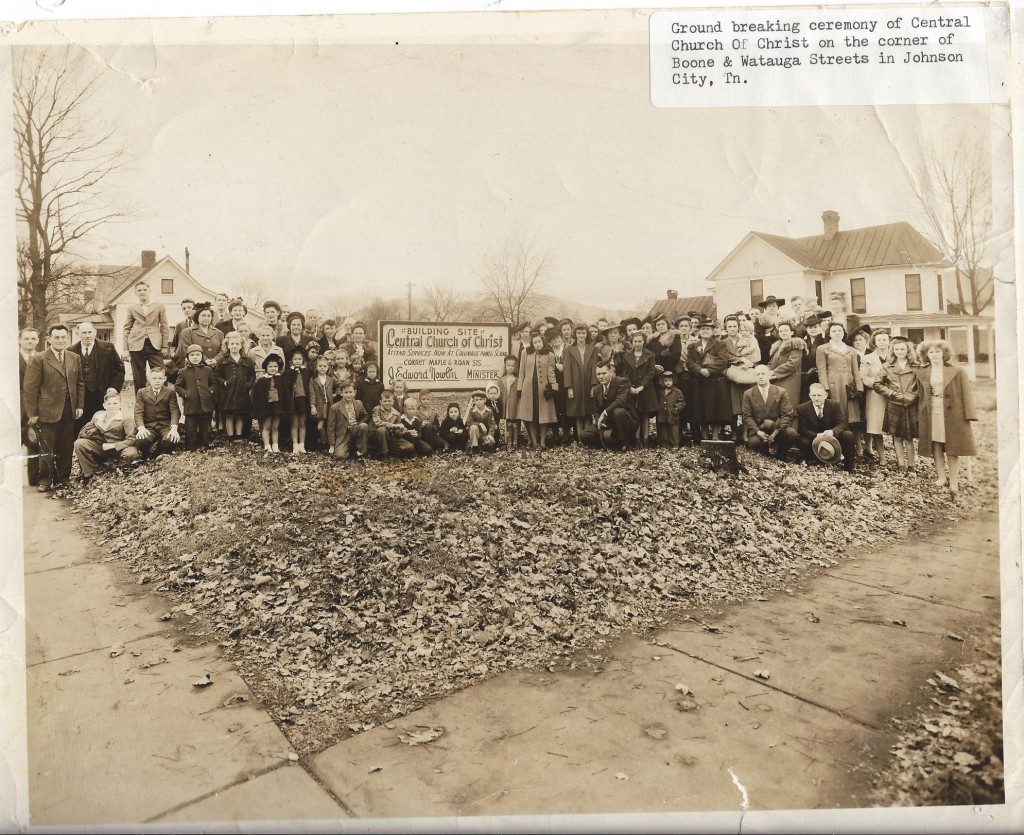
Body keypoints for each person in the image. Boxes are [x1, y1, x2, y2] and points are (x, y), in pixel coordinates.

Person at [22, 324, 84, 491]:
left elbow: (79, 383)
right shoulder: (39, 359)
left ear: (68, 338)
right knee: (47, 447)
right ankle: (45, 480)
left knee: (66, 447)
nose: (60, 340)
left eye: (63, 337)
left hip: (69, 410)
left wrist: (79, 405)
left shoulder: (74, 357)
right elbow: (30, 389)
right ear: (49, 339)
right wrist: (33, 413)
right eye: (56, 337)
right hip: (47, 410)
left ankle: (63, 479)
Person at [916, 340, 977, 495]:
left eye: (938, 352)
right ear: (926, 355)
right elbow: (920, 395)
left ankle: (954, 482)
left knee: (952, 446)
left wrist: (969, 415)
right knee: (936, 443)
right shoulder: (922, 371)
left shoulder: (958, 371)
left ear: (944, 353)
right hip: (931, 411)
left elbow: (967, 393)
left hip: (954, 413)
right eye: (931, 352)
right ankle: (942, 477)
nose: (935, 355)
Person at [872, 335, 919, 472]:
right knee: (897, 437)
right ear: (893, 351)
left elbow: (922, 385)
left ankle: (911, 466)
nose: (900, 351)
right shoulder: (887, 366)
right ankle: (901, 465)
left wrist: (913, 396)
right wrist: (891, 393)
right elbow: (877, 384)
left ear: (908, 350)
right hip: (894, 403)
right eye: (897, 349)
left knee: (909, 438)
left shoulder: (917, 366)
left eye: (902, 349)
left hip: (910, 405)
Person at [73, 387, 139, 484]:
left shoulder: (126, 418)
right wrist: (94, 431)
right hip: (101, 446)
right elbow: (86, 430)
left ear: (120, 404)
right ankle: (91, 473)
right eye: (109, 404)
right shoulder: (98, 416)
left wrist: (113, 445)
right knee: (79, 443)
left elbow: (132, 439)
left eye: (115, 403)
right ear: (104, 405)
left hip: (119, 448)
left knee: (132, 453)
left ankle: (115, 467)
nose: (112, 406)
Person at [68, 322, 125, 434]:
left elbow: (119, 370)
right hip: (81, 399)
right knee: (80, 428)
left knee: (104, 426)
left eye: (90, 332)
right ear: (78, 334)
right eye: (84, 333)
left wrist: (114, 387)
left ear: (95, 332)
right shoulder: (70, 351)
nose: (87, 335)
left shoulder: (108, 347)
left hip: (102, 395)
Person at [685, 317, 732, 440]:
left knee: (715, 409)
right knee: (701, 410)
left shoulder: (720, 344)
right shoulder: (693, 346)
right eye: (703, 329)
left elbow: (723, 361)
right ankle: (705, 437)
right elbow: (689, 362)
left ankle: (715, 437)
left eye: (708, 329)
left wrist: (709, 371)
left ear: (712, 331)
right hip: (699, 381)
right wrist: (700, 370)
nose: (705, 331)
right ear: (699, 331)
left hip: (715, 382)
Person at [122, 279, 170, 393]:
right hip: (136, 344)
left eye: (144, 289)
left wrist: (164, 346)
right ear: (136, 292)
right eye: (139, 290)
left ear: (149, 290)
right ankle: (141, 400)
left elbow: (164, 326)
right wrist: (125, 349)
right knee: (138, 375)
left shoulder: (159, 306)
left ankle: (163, 398)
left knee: (160, 372)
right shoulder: (132, 308)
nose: (142, 292)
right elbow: (126, 328)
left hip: (154, 344)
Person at [741, 365, 798, 461]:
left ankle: (780, 455)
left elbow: (787, 414)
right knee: (753, 443)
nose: (760, 376)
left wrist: (775, 432)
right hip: (759, 430)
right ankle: (766, 454)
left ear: (769, 375)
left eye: (763, 374)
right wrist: (758, 432)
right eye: (758, 374)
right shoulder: (748, 394)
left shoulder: (781, 391)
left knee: (791, 433)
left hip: (776, 428)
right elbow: (747, 416)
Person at [796, 383, 855, 473]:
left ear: (825, 395)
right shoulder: (802, 408)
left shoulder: (834, 405)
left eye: (819, 395)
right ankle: (814, 461)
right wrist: (816, 435)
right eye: (813, 395)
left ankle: (849, 467)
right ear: (809, 395)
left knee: (848, 435)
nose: (816, 398)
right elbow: (802, 429)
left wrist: (832, 432)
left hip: (833, 437)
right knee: (802, 441)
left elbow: (842, 423)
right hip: (814, 437)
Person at [579, 361, 639, 450]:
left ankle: (624, 443)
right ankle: (611, 442)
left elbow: (620, 401)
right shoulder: (596, 389)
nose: (601, 377)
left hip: (625, 421)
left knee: (618, 412)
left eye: (604, 373)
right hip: (608, 423)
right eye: (598, 374)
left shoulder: (621, 381)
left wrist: (604, 413)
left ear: (610, 372)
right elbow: (596, 410)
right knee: (584, 435)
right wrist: (599, 421)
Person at [516, 330, 558, 449]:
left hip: (542, 389)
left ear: (543, 342)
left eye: (539, 341)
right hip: (528, 389)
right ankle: (534, 442)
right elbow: (521, 372)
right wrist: (519, 388)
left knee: (543, 416)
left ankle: (543, 442)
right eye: (535, 342)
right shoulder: (525, 353)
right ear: (532, 343)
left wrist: (554, 387)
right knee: (530, 416)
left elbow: (551, 373)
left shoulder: (549, 355)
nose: (537, 344)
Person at [816, 322, 863, 427]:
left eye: (839, 331)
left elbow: (855, 370)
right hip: (834, 385)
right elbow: (821, 370)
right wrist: (825, 387)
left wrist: (859, 388)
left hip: (849, 385)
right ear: (829, 333)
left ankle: (850, 434)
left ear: (843, 333)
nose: (837, 333)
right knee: (836, 411)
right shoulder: (822, 349)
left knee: (850, 414)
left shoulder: (851, 350)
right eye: (834, 331)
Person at [175, 344, 217, 451]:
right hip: (191, 405)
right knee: (190, 427)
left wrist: (209, 391)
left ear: (202, 356)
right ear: (187, 357)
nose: (195, 357)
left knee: (205, 426)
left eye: (198, 355)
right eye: (192, 355)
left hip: (205, 404)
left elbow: (213, 383)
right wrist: (186, 394)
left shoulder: (208, 370)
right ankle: (191, 446)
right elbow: (178, 386)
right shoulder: (183, 371)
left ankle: (205, 444)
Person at [133, 364, 181, 459]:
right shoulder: (141, 392)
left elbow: (175, 411)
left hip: (165, 425)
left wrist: (174, 428)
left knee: (171, 439)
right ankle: (146, 455)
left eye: (160, 378)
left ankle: (159, 452)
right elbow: (138, 411)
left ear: (165, 379)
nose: (157, 381)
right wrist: (141, 428)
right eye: (154, 378)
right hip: (149, 425)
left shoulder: (170, 392)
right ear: (149, 379)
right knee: (141, 440)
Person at [215, 332, 255, 442]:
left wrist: (248, 385)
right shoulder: (222, 360)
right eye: (232, 344)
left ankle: (238, 436)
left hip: (242, 392)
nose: (234, 346)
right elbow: (217, 375)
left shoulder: (247, 360)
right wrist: (224, 383)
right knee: (229, 415)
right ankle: (231, 437)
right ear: (227, 345)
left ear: (241, 345)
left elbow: (252, 375)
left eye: (237, 344)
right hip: (228, 393)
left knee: (240, 414)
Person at [860, 329, 891, 465]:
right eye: (879, 340)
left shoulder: (896, 356)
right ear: (874, 342)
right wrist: (880, 385)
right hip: (875, 395)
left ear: (889, 341)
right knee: (876, 426)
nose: (882, 342)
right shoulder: (867, 358)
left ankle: (900, 459)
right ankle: (882, 457)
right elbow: (864, 378)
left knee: (896, 426)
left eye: (884, 339)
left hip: (893, 395)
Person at [622, 330, 658, 446]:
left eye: (640, 341)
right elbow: (625, 373)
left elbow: (651, 372)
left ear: (644, 342)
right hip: (632, 389)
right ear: (632, 342)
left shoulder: (650, 354)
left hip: (646, 389)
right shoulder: (627, 355)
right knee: (635, 413)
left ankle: (646, 439)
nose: (638, 344)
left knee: (645, 414)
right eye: (635, 341)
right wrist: (629, 387)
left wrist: (642, 386)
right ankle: (637, 439)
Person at [564, 324, 597, 442]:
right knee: (577, 411)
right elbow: (567, 369)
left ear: (587, 334)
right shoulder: (569, 349)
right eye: (579, 333)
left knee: (588, 411)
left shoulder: (593, 348)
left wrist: (593, 385)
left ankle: (587, 438)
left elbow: (595, 368)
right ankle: (579, 437)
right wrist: (569, 387)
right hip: (576, 382)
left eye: (583, 333)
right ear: (575, 334)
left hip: (588, 382)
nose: (581, 335)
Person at [18, 328, 42, 487]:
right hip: (16, 408)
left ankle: (34, 480)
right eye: (26, 338)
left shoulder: (42, 358)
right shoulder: (10, 359)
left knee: (34, 443)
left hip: (35, 409)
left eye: (33, 338)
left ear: (38, 341)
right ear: (20, 340)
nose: (30, 341)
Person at [767, 320, 805, 417]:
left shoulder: (796, 345)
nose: (783, 333)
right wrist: (766, 371)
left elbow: (792, 364)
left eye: (786, 330)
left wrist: (774, 373)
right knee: (778, 408)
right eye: (781, 331)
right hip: (777, 381)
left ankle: (791, 427)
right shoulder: (778, 346)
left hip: (789, 381)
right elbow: (771, 362)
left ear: (791, 332)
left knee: (789, 407)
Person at [252, 354, 289, 453]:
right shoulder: (262, 380)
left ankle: (275, 446)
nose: (273, 368)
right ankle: (267, 445)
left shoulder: (281, 379)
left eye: (275, 366)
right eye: (270, 366)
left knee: (275, 427)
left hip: (277, 406)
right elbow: (257, 396)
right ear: (266, 368)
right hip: (267, 407)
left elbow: (285, 394)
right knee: (266, 426)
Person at [328, 381, 369, 461]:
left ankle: (361, 451)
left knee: (363, 426)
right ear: (341, 393)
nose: (348, 395)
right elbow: (330, 427)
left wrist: (359, 424)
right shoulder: (335, 407)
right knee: (340, 456)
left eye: (350, 392)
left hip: (355, 428)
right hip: (343, 433)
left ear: (354, 393)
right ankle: (351, 448)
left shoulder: (358, 403)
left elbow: (365, 416)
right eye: (346, 392)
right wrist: (331, 445)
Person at [546, 329, 572, 444]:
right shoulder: (549, 352)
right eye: (553, 339)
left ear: (561, 338)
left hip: (565, 382)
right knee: (554, 408)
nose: (556, 340)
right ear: (550, 342)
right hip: (553, 383)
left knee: (566, 408)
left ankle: (566, 434)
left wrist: (563, 367)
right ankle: (555, 434)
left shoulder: (567, 349)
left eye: (557, 338)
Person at [371, 389, 412, 458]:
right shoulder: (376, 410)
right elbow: (378, 423)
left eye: (389, 401)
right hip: (378, 436)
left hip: (391, 437)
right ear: (380, 402)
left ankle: (390, 452)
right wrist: (393, 425)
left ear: (393, 402)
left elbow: (397, 431)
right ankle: (383, 454)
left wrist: (402, 430)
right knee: (382, 430)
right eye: (385, 401)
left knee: (409, 446)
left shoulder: (397, 413)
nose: (387, 403)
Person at [284, 348, 311, 453]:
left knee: (302, 424)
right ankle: (295, 445)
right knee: (294, 424)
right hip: (293, 401)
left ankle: (302, 445)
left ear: (303, 360)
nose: (297, 361)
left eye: (299, 359)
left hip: (303, 400)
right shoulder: (288, 373)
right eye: (295, 359)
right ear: (291, 361)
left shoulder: (307, 372)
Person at [308, 356, 337, 448]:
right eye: (320, 366)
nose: (322, 368)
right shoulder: (313, 379)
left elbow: (340, 386)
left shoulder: (331, 378)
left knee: (330, 424)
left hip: (330, 405)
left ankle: (330, 444)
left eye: (324, 366)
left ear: (328, 368)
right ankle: (324, 442)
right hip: (320, 406)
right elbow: (312, 393)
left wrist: (335, 394)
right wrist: (313, 406)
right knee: (320, 427)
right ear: (317, 367)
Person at [654, 369, 685, 448]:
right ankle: (664, 445)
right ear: (662, 381)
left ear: (673, 381)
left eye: (670, 380)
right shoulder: (660, 391)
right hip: (661, 414)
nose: (668, 382)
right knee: (662, 430)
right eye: (666, 380)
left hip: (672, 414)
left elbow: (682, 402)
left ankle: (674, 445)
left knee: (673, 430)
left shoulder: (677, 391)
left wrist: (676, 407)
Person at [753, 295, 785, 363]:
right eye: (769, 306)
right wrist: (771, 344)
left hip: (782, 345)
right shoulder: (760, 319)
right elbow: (758, 334)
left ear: (778, 307)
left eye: (774, 306)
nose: (772, 308)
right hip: (765, 347)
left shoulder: (784, 318)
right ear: (766, 308)